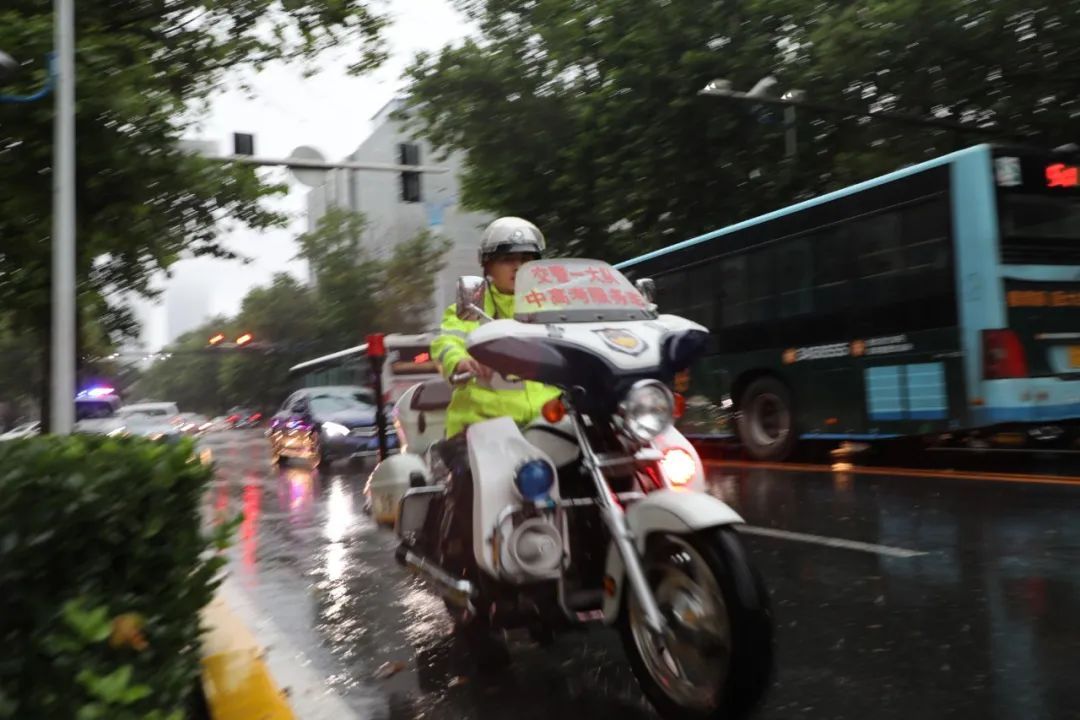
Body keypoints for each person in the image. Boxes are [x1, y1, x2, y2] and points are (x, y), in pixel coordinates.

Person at [428, 216, 561, 568]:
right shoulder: (473, 306)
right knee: (472, 482)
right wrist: (460, 362)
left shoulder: (553, 306)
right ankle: (461, 559)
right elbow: (447, 340)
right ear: (488, 266)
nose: (519, 268)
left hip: (548, 422)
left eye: (527, 260)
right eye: (508, 260)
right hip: (482, 425)